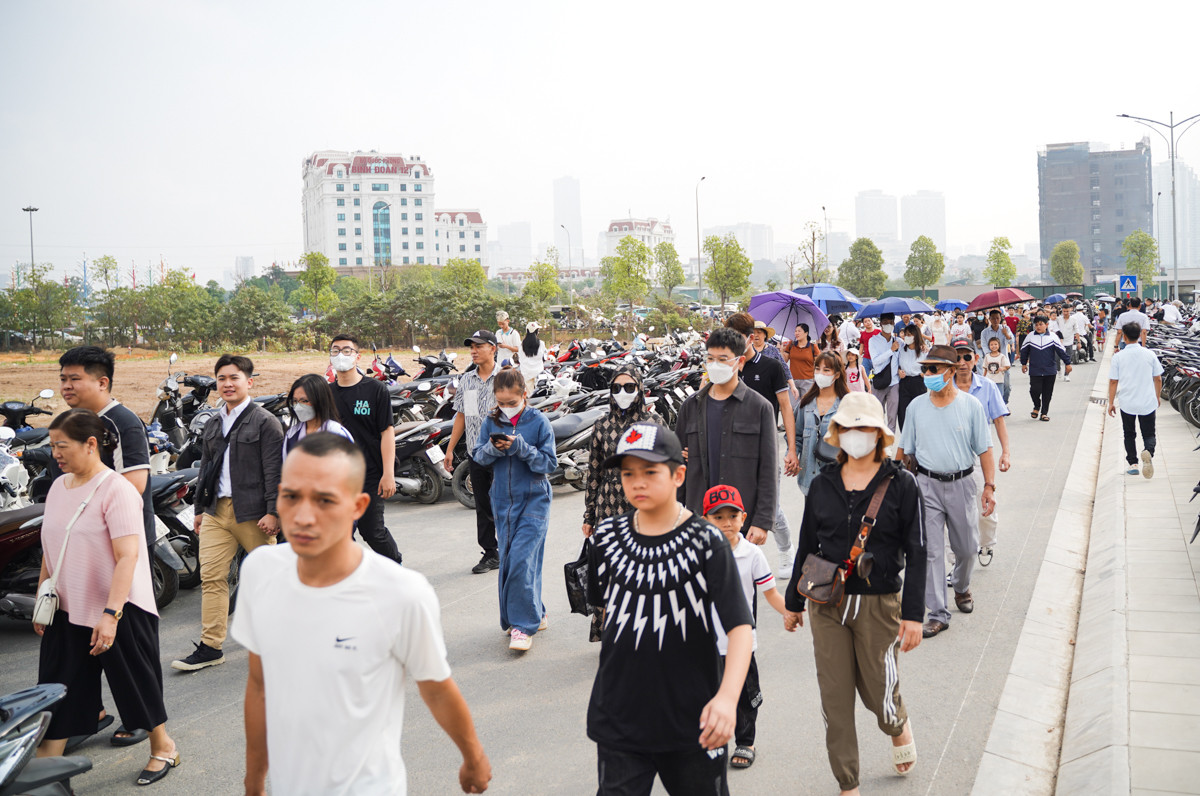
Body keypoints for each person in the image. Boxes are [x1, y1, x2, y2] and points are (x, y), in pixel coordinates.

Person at [232, 433, 492, 796]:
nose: (304, 516)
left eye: (325, 500)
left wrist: (473, 756)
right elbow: (260, 686)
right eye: (291, 496)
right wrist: (254, 779)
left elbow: (435, 688)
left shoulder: (401, 594)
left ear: (358, 506)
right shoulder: (261, 571)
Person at [586, 423, 753, 795]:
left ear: (678, 475)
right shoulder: (605, 538)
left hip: (694, 721)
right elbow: (603, 606)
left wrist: (727, 700)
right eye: (628, 473)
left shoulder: (706, 541)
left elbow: (740, 627)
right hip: (619, 718)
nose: (637, 482)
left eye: (650, 472)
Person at [783, 392, 924, 795]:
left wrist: (913, 615)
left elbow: (918, 551)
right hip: (827, 603)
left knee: (878, 691)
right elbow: (807, 543)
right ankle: (848, 783)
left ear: (879, 434)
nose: (855, 435)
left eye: (864, 427)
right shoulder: (823, 484)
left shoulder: (902, 484)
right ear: (837, 433)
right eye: (848, 427)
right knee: (835, 698)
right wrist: (793, 604)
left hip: (879, 604)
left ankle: (895, 723)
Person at [36, 409, 178, 786]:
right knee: (58, 685)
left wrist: (111, 614)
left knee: (135, 683)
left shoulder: (116, 490)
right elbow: (52, 547)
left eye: (61, 445)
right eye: (52, 446)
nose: (56, 454)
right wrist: (42, 594)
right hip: (66, 607)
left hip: (119, 607)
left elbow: (128, 555)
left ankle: (163, 746)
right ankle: (47, 766)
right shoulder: (57, 487)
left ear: (91, 444)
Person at [57, 346, 156, 747]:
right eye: (62, 378)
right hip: (83, 557)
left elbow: (134, 486)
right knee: (82, 642)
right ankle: (90, 711)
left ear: (102, 382)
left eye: (74, 378)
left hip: (120, 552)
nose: (65, 385)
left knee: (128, 649)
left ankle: (146, 721)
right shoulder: (73, 423)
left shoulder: (123, 423)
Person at [173, 355, 283, 672]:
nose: (227, 384)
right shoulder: (213, 422)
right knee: (212, 578)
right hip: (216, 512)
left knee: (269, 580)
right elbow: (206, 468)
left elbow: (275, 471)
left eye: (234, 378)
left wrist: (273, 512)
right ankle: (211, 647)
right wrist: (199, 509)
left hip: (253, 512)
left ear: (249, 382)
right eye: (221, 378)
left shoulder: (265, 422)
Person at [894, 345, 997, 638]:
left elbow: (985, 450)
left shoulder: (970, 406)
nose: (927, 374)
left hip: (962, 484)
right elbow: (904, 450)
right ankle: (938, 613)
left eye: (933, 369)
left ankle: (962, 587)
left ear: (951, 371)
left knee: (966, 548)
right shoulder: (915, 407)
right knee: (931, 552)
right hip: (926, 485)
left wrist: (988, 487)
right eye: (925, 369)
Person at [470, 369, 557, 651]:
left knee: (521, 560)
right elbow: (479, 456)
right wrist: (496, 448)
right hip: (503, 503)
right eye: (501, 403)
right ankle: (536, 612)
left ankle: (522, 626)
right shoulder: (491, 421)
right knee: (512, 562)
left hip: (535, 500)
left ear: (524, 394)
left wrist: (520, 447)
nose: (506, 408)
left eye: (511, 402)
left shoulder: (539, 421)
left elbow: (549, 464)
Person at [703, 485, 787, 771]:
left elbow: (771, 593)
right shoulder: (700, 554)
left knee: (744, 697)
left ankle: (746, 741)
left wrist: (791, 612)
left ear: (744, 517)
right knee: (708, 693)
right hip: (706, 642)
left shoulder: (752, 555)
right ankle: (713, 741)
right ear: (706, 521)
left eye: (732, 515)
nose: (727, 522)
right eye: (718, 517)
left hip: (741, 643)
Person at [676, 327, 777, 544]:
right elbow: (676, 466)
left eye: (723, 359)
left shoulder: (760, 407)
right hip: (697, 518)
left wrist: (762, 521)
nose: (715, 365)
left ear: (739, 363)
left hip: (739, 518)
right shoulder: (691, 406)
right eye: (710, 358)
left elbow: (768, 469)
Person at [726, 312, 798, 572]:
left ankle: (786, 550)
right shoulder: (725, 367)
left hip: (763, 448)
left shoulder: (771, 366)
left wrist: (791, 448)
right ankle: (742, 558)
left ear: (751, 338)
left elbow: (786, 408)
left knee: (771, 508)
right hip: (731, 450)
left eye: (738, 337)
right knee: (734, 506)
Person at [328, 334, 402, 564]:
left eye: (347, 350)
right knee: (340, 534)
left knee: (372, 531)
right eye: (335, 350)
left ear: (357, 356)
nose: (341, 355)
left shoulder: (375, 390)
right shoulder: (326, 394)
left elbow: (386, 432)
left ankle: (396, 568)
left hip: (369, 474)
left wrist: (388, 474)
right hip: (337, 478)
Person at [951, 338, 1012, 566]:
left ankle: (986, 543)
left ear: (976, 360)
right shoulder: (945, 388)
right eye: (957, 357)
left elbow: (998, 420)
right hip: (952, 456)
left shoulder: (986, 387)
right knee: (954, 514)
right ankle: (956, 564)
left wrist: (1005, 452)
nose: (962, 362)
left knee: (984, 504)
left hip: (979, 456)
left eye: (967, 357)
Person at [445, 329, 502, 574]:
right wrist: (449, 450)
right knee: (483, 506)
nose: (473, 351)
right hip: (476, 453)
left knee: (507, 502)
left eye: (479, 346)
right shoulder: (467, 380)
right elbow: (462, 416)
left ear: (493, 348)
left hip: (503, 453)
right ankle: (491, 553)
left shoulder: (507, 377)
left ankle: (512, 548)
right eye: (471, 347)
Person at [1108, 321, 1164, 478]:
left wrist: (1111, 402)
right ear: (1140, 335)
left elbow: (1113, 381)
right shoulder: (1149, 354)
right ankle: (1148, 452)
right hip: (1147, 400)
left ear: (1124, 337)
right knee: (1149, 433)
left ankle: (1133, 463)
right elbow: (1158, 379)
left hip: (1127, 402)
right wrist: (1157, 397)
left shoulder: (1118, 357)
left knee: (1129, 433)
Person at [796, 351, 847, 495]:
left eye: (826, 370)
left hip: (838, 481)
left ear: (836, 375)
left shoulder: (846, 404)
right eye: (817, 369)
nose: (820, 374)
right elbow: (797, 435)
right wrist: (792, 455)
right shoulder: (806, 404)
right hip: (809, 480)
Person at [282, 373, 354, 458]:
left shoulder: (336, 434)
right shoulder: (292, 435)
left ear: (320, 400)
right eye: (295, 401)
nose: (298, 407)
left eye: (304, 401)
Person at [1020, 316, 1073, 422]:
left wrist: (1068, 363)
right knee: (1034, 390)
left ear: (1047, 325)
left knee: (1047, 392)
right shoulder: (1030, 336)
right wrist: (1023, 363)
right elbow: (1024, 350)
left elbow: (1061, 351)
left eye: (1041, 324)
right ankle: (1036, 406)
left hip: (1050, 369)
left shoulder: (1053, 337)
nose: (1038, 327)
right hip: (1035, 369)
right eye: (1036, 324)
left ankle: (1044, 413)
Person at [867, 312, 901, 432]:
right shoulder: (873, 340)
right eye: (885, 322)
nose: (888, 325)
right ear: (880, 323)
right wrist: (891, 351)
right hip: (879, 381)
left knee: (892, 416)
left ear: (894, 323)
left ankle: (889, 444)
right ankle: (878, 440)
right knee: (877, 413)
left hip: (894, 382)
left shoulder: (898, 341)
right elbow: (875, 361)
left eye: (890, 322)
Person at [895, 322, 929, 431]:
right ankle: (905, 435)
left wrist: (925, 373)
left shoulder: (923, 351)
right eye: (905, 334)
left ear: (916, 336)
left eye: (909, 335)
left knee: (920, 411)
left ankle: (919, 435)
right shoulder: (901, 350)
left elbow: (930, 366)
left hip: (918, 382)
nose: (906, 337)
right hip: (904, 382)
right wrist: (899, 371)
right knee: (903, 411)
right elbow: (896, 365)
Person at [784, 322, 819, 396]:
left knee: (806, 405)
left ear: (806, 333)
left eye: (799, 331)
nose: (796, 333)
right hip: (792, 380)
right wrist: (781, 350)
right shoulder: (791, 345)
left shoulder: (813, 347)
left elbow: (818, 364)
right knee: (793, 406)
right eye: (795, 331)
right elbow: (784, 361)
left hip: (808, 381)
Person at [517, 320, 548, 395]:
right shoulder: (541, 343)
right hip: (538, 372)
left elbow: (520, 358)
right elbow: (544, 357)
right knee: (539, 395)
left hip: (526, 373)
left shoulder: (521, 345)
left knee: (529, 396)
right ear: (536, 331)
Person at [981, 337, 1011, 404]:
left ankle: (1001, 409)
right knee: (990, 396)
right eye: (991, 344)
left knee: (999, 396)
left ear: (999, 345)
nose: (993, 346)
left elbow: (1007, 366)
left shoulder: (1002, 356)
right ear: (989, 346)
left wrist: (1003, 368)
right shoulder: (987, 356)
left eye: (995, 344)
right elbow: (985, 368)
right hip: (989, 380)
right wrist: (983, 378)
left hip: (999, 380)